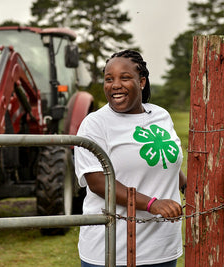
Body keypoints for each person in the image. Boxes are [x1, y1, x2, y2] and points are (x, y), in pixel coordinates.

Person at [74, 50, 187, 267]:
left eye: (124, 77)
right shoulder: (95, 124)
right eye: (109, 79)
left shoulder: (161, 115)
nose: (115, 84)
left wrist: (189, 187)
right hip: (112, 250)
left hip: (162, 247)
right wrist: (153, 204)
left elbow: (166, 162)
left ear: (141, 81)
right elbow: (98, 183)